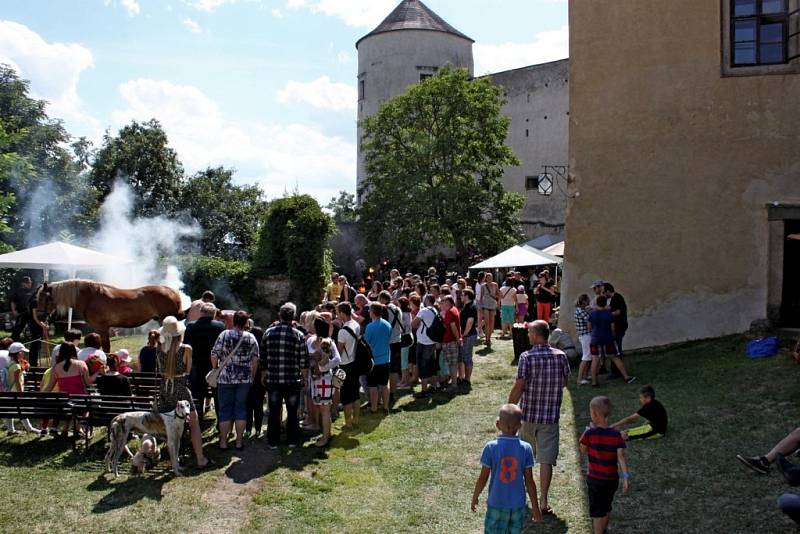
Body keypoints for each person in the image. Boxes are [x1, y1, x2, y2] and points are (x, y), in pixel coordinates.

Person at [507, 320, 570, 515]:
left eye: (529, 333)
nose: (528, 336)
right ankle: (543, 500)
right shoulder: (561, 356)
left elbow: (519, 386)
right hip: (550, 416)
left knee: (525, 457)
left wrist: (509, 406)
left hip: (529, 415)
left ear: (535, 335)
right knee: (546, 459)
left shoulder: (527, 357)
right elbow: (565, 381)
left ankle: (521, 496)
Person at [471, 404, 543, 532]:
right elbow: (529, 481)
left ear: (497, 424)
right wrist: (535, 507)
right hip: (518, 505)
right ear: (520, 426)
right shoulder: (526, 448)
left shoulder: (490, 447)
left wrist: (475, 496)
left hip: (496, 503)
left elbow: (483, 478)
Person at [155, 316, 212, 469]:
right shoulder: (186, 349)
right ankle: (200, 459)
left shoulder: (159, 348)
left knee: (169, 425)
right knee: (194, 424)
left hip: (165, 389)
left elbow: (161, 369)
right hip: (181, 388)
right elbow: (187, 370)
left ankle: (175, 459)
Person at [261, 303, 309, 449]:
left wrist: (263, 375)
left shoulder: (268, 333)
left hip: (274, 379)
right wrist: (304, 378)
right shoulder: (298, 335)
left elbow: (263, 358)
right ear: (293, 317)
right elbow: (304, 360)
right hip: (292, 380)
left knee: (274, 411)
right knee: (292, 411)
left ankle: (273, 441)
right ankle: (292, 440)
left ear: (279, 316)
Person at [580, 396, 631, 534]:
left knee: (597, 513)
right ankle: (603, 530)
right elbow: (621, 456)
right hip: (612, 480)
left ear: (595, 414)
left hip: (595, 480)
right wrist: (626, 477)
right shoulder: (616, 435)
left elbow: (583, 450)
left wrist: (587, 431)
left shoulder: (589, 433)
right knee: (606, 507)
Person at [211, 310, 260, 451]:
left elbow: (214, 354)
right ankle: (239, 442)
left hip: (225, 378)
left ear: (234, 321)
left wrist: (216, 368)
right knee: (240, 409)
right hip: (244, 379)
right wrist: (252, 376)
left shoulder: (224, 334)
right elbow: (255, 360)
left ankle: (223, 442)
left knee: (225, 409)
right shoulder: (250, 338)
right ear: (246, 323)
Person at [184, 303, 226, 421]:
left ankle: (198, 422)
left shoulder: (191, 327)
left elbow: (186, 348)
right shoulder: (220, 326)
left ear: (200, 313)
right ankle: (220, 423)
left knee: (197, 396)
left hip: (196, 366)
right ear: (213, 314)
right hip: (215, 367)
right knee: (218, 397)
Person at [307, 313, 341, 447]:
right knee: (321, 407)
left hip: (325, 379)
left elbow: (338, 359)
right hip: (314, 379)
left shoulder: (329, 342)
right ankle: (326, 432)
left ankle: (326, 437)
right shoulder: (310, 341)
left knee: (325, 408)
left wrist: (322, 367)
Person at [588, 296, 635, 386]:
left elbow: (589, 327)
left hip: (595, 339)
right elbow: (612, 329)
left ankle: (594, 382)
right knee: (615, 357)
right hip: (607, 339)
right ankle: (626, 377)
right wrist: (612, 336)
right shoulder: (609, 314)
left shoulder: (592, 314)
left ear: (597, 303)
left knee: (595, 360)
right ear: (606, 303)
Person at [3, 343, 39, 434]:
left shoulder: (10, 364)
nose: (24, 354)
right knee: (22, 410)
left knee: (10, 411)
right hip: (16, 392)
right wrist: (21, 393)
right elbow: (18, 381)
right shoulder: (17, 367)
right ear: (18, 353)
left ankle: (11, 430)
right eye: (22, 352)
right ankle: (29, 428)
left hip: (10, 391)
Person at [336, 302, 362, 429]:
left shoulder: (342, 331)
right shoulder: (356, 324)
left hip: (344, 365)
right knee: (355, 393)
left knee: (346, 396)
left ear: (342, 313)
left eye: (338, 312)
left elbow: (338, 352)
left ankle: (348, 423)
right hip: (355, 362)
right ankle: (356, 420)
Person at [364, 302, 392, 414]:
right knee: (384, 385)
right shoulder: (387, 324)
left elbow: (366, 343)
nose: (368, 312)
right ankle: (385, 407)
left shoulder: (370, 327)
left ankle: (374, 408)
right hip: (385, 359)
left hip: (373, 361)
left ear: (373, 312)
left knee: (373, 386)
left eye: (369, 310)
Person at [412, 294, 439, 398]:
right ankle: (433, 386)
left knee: (423, 366)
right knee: (431, 365)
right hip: (432, 341)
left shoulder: (423, 311)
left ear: (427, 300)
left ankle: (424, 390)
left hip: (423, 342)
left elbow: (413, 324)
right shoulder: (435, 310)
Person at [378, 291, 403, 398]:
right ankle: (392, 392)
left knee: (384, 369)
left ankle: (383, 393)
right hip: (397, 340)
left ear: (383, 300)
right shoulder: (398, 308)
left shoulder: (384, 309)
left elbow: (383, 326)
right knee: (394, 369)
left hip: (387, 342)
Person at [604, 283, 629, 378]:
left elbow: (618, 312)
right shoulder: (615, 299)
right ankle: (616, 371)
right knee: (615, 350)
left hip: (619, 327)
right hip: (618, 327)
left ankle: (617, 372)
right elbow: (610, 308)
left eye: (604, 292)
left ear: (608, 291)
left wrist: (607, 315)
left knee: (616, 350)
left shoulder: (617, 298)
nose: (604, 294)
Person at [245, 326, 266, 438]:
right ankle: (258, 429)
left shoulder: (247, 347)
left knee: (248, 405)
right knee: (259, 405)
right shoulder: (263, 349)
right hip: (260, 380)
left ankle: (248, 429)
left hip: (248, 379)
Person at [440, 296, 462, 394]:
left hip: (450, 342)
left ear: (448, 302)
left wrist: (458, 339)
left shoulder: (450, 312)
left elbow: (453, 327)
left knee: (452, 364)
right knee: (453, 363)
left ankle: (454, 385)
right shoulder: (454, 309)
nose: (442, 304)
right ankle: (454, 383)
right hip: (452, 341)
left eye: (443, 302)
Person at [460, 288, 478, 389]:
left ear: (467, 296)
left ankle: (467, 379)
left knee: (467, 358)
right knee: (465, 357)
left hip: (469, 335)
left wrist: (464, 334)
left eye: (462, 295)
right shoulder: (466, 306)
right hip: (467, 335)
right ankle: (464, 378)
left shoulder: (471, 307)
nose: (461, 296)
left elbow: (470, 322)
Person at [574, 294, 593, 386]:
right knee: (585, 357)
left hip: (585, 335)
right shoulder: (581, 311)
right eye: (588, 300)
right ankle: (579, 379)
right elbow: (590, 319)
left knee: (588, 357)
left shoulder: (581, 310)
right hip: (585, 335)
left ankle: (585, 376)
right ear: (584, 301)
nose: (589, 301)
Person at [480, 273, 499, 349]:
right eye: (488, 278)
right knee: (487, 323)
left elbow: (498, 295)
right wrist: (481, 306)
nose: (489, 279)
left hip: (493, 304)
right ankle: (487, 339)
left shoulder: (495, 285)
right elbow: (481, 297)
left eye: (491, 277)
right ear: (486, 278)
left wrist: (496, 297)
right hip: (485, 305)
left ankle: (489, 338)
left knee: (492, 324)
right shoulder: (483, 286)